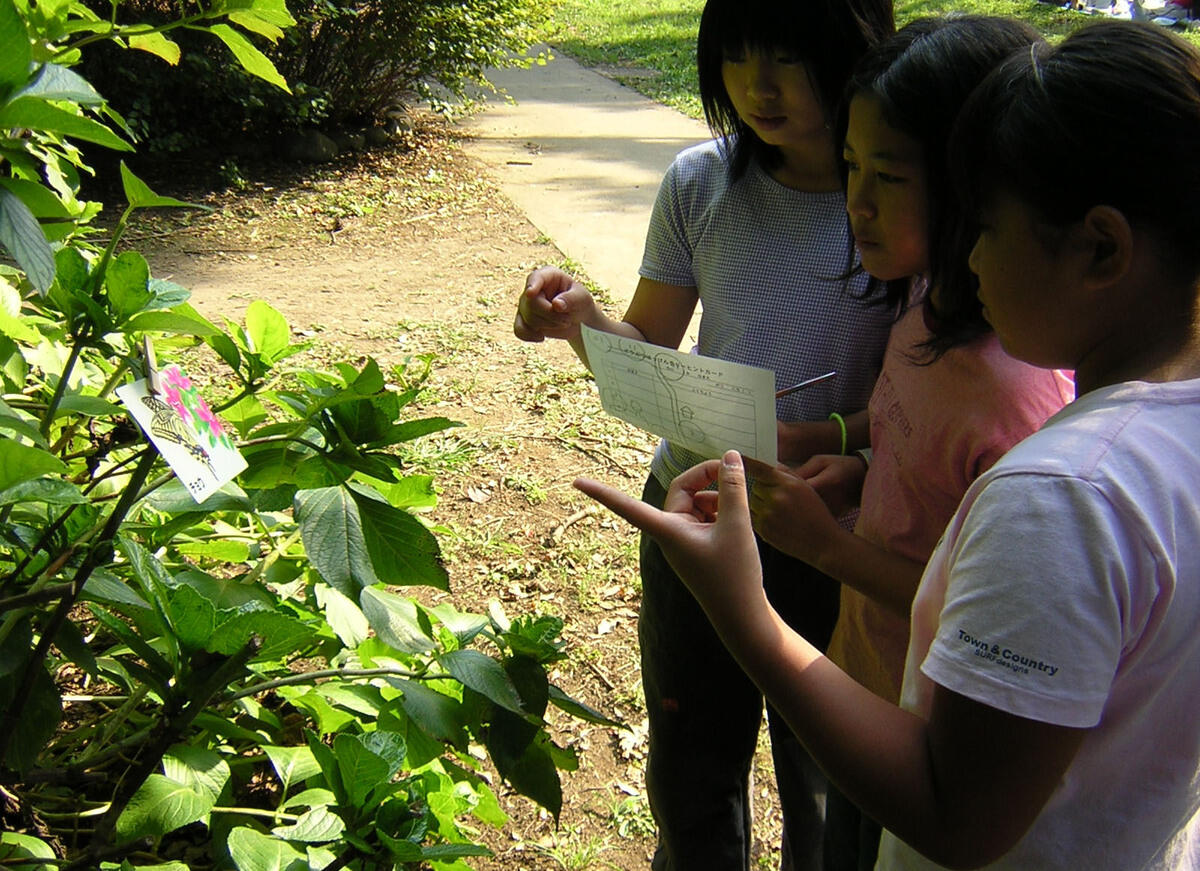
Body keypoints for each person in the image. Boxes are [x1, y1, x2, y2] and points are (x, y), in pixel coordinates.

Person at [574, 19, 1200, 871]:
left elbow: (955, 813)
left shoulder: (1063, 495)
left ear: (1100, 246)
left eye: (982, 223)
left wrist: (747, 606)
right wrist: (858, 456)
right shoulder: (1159, 437)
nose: (963, 255)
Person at [513, 0, 895, 865]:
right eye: (737, 58)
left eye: (790, 59)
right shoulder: (702, 182)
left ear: (858, 48)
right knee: (692, 762)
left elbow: (932, 386)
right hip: (694, 507)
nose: (758, 88)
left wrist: (833, 436)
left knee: (827, 775)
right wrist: (582, 322)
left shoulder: (896, 196)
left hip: (839, 529)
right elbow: (649, 341)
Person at [738, 18, 1073, 869]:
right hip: (866, 673)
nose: (856, 201)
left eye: (888, 175)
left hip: (926, 727)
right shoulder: (928, 305)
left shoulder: (1019, 400)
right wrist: (849, 461)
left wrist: (824, 547)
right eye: (852, 166)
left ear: (975, 188)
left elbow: (978, 597)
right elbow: (909, 448)